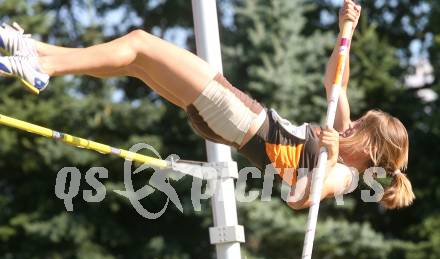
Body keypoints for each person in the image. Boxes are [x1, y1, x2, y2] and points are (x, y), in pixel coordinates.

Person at [0, 0, 414, 209]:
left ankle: (45, 68)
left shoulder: (345, 173)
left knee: (140, 42)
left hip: (237, 116)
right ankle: (34, 50)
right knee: (138, 63)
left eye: (360, 125)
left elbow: (299, 196)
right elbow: (335, 85)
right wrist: (347, 30)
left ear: (372, 149)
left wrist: (331, 157)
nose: (351, 123)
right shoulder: (340, 141)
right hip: (225, 124)